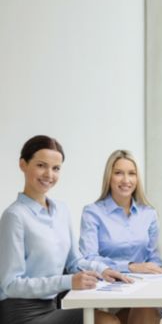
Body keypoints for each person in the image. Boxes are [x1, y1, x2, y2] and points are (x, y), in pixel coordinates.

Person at [0, 135, 129, 324]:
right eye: (41, 165)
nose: (49, 175)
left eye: (56, 168)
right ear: (23, 164)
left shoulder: (61, 210)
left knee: (114, 319)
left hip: (53, 305)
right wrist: (68, 282)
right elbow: (10, 284)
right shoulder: (15, 216)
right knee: (107, 322)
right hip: (22, 313)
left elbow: (74, 260)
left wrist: (103, 270)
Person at [79, 149, 162, 324]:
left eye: (131, 173)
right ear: (109, 177)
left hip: (141, 291)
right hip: (105, 291)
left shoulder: (149, 214)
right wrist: (130, 267)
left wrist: (153, 268)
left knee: (147, 311)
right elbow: (88, 258)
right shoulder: (93, 212)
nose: (126, 180)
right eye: (118, 173)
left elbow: (154, 257)